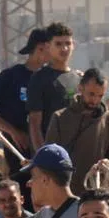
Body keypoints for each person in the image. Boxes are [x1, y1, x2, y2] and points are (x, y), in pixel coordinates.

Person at [0, 27, 49, 162]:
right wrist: (12, 131)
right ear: (40, 48)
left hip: (47, 150)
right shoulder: (11, 76)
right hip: (18, 151)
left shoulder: (52, 78)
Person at [45, 68, 109, 193]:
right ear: (80, 89)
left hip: (94, 192)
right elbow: (49, 158)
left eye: (100, 96)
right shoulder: (60, 118)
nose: (95, 100)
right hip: (65, 193)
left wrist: (108, 165)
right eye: (91, 94)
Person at [27, 22, 80, 152]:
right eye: (58, 44)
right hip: (53, 152)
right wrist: (43, 156)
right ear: (48, 46)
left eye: (68, 43)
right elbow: (34, 123)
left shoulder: (79, 79)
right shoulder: (39, 79)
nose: (64, 48)